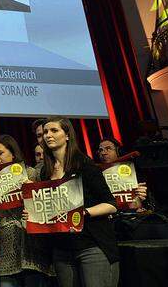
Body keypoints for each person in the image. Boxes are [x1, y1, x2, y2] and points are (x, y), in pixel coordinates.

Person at [38, 117, 119, 287]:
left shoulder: (84, 165)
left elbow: (111, 204)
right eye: (45, 132)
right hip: (62, 250)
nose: (48, 135)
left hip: (92, 246)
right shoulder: (45, 172)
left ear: (67, 135)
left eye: (54, 130)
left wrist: (83, 213)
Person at [0, 135, 53, 287]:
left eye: (0, 153)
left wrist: (33, 190)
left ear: (13, 153)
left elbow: (48, 206)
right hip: (7, 248)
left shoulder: (31, 173)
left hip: (32, 249)